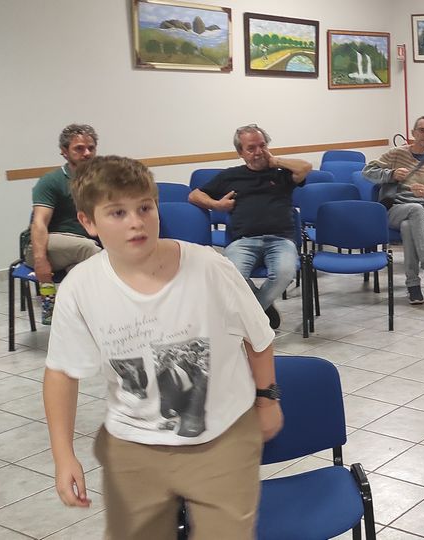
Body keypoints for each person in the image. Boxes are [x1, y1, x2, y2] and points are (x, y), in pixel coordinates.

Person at [43, 156, 282, 539]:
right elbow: (61, 373)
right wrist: (63, 454)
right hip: (133, 447)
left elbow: (259, 338)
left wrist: (267, 400)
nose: (136, 222)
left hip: (222, 440)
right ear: (88, 222)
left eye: (145, 208)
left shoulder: (210, 267)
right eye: (117, 213)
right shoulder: (80, 287)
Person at [189, 124, 312, 330]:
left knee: (284, 273)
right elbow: (194, 195)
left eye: (262, 146)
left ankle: (253, 316)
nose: (258, 152)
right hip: (244, 241)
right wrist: (217, 205)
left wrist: (275, 161)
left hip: (281, 240)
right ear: (240, 153)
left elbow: (305, 167)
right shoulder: (230, 176)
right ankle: (263, 308)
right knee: (230, 275)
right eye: (251, 148)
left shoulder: (281, 174)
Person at [362, 116, 424, 305]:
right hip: (394, 209)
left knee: (409, 226)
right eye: (422, 130)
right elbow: (367, 172)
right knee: (414, 210)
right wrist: (391, 174)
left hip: (422, 215)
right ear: (413, 133)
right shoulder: (396, 154)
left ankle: (413, 286)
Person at [25, 124, 103, 324]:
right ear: (64, 151)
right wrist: (40, 260)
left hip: (81, 247)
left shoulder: (102, 179)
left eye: (91, 148)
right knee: (91, 251)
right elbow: (39, 223)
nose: (87, 153)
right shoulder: (51, 181)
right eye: (79, 148)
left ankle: (72, 315)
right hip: (47, 245)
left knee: (80, 270)